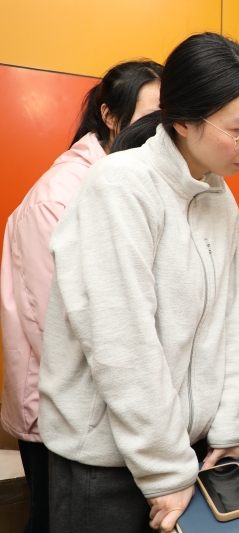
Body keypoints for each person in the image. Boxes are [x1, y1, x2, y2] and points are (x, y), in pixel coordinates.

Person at [37, 33, 239, 533]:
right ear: (184, 120)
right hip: (108, 463)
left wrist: (228, 427)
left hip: (188, 452)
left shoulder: (218, 197)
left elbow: (230, 318)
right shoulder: (120, 185)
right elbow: (121, 342)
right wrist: (165, 469)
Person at [0, 58, 161, 533]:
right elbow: (54, 323)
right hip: (62, 405)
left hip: (113, 401)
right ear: (110, 116)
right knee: (54, 520)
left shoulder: (132, 179)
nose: (164, 129)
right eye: (152, 114)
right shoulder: (58, 196)